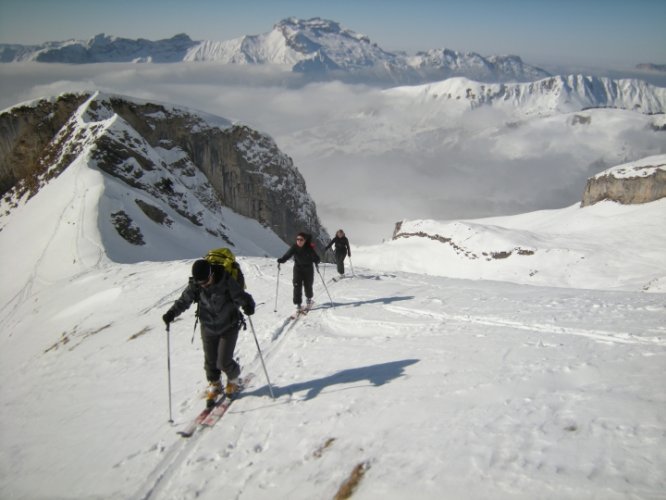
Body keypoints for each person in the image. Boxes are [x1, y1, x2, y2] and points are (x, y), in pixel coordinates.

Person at [162, 258, 255, 406]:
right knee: (210, 361)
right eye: (200, 283)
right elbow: (184, 301)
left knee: (223, 362)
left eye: (205, 281)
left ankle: (233, 380)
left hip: (228, 325)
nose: (203, 285)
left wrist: (248, 305)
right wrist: (171, 314)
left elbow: (241, 295)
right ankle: (215, 384)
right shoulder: (196, 285)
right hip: (207, 327)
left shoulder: (225, 280)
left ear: (211, 274)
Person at [277, 232, 321, 313]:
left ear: (305, 241)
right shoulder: (294, 247)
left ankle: (308, 299)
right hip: (298, 269)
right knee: (296, 285)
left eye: (301, 239)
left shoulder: (309, 248)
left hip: (308, 269)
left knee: (308, 285)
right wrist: (282, 260)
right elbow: (288, 255)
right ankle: (298, 303)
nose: (299, 241)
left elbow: (316, 258)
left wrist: (316, 260)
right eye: (297, 239)